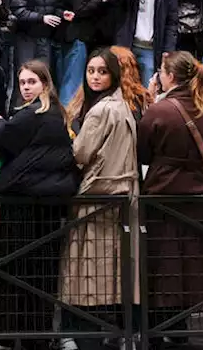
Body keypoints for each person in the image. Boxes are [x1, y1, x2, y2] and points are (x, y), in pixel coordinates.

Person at [0, 60, 78, 350]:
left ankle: (7, 335)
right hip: (49, 208)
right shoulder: (59, 115)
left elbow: (1, 142)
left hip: (20, 206)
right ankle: (37, 335)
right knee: (42, 274)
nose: (26, 88)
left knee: (9, 271)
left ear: (44, 84)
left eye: (31, 82)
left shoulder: (29, 116)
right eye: (23, 82)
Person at [60, 49, 139, 350]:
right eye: (91, 71)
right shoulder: (123, 106)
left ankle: (83, 337)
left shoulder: (101, 110)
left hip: (98, 195)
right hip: (122, 195)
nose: (94, 76)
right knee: (114, 271)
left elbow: (80, 153)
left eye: (102, 71)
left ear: (114, 75)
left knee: (89, 271)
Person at [137, 52, 203, 336]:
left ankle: (161, 327)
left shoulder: (160, 111)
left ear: (169, 76)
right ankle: (181, 325)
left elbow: (143, 151)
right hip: (198, 194)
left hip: (164, 192)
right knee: (191, 261)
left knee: (163, 262)